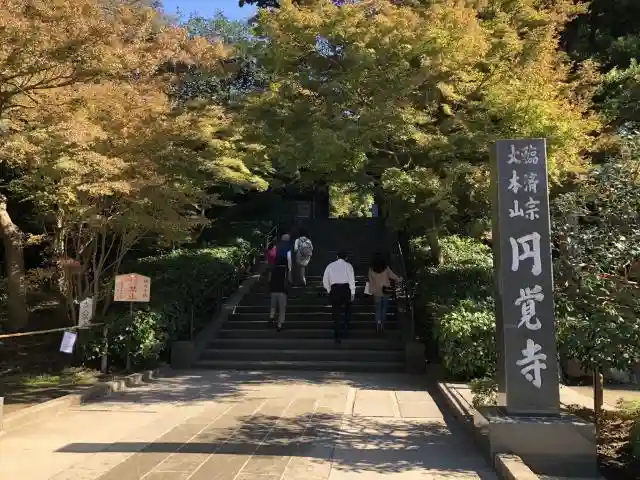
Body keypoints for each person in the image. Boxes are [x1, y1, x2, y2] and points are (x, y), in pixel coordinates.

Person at [323, 251, 355, 344]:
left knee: (336, 312)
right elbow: (351, 279)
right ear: (346, 257)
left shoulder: (330, 266)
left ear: (337, 257)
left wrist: (329, 290)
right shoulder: (348, 266)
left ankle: (337, 334)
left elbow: (325, 280)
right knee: (348, 308)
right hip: (345, 289)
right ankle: (346, 325)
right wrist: (353, 292)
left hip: (335, 289)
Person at [368, 252, 402, 332]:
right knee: (384, 308)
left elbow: (370, 281)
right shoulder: (386, 268)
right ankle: (382, 324)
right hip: (386, 290)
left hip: (376, 291)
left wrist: (370, 290)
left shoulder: (371, 269)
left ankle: (378, 323)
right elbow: (393, 276)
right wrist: (399, 279)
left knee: (378, 309)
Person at [269, 234, 293, 331]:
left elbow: (270, 258)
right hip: (282, 288)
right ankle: (280, 324)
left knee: (273, 304)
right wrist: (290, 280)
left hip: (274, 287)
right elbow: (289, 263)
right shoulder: (288, 248)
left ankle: (271, 316)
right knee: (282, 307)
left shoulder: (276, 247)